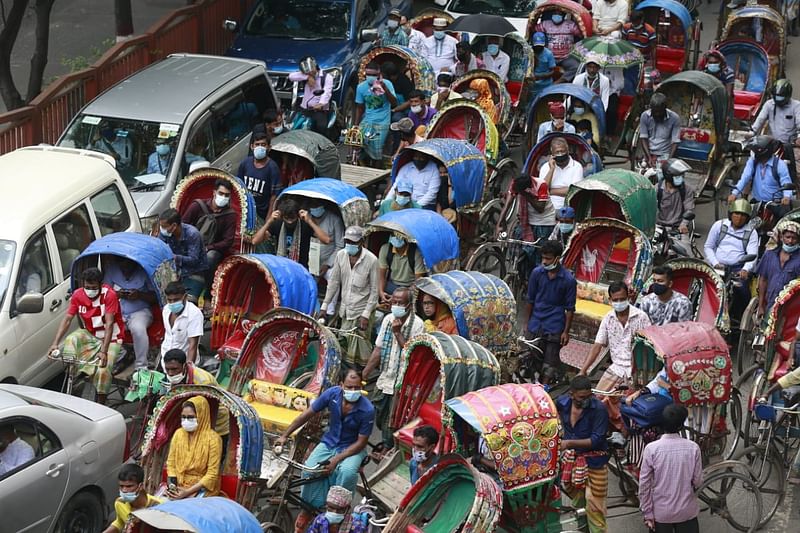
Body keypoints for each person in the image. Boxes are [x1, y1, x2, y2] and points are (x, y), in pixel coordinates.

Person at [275, 369, 375, 533]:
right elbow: (307, 414)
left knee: (347, 472)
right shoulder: (332, 394)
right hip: (330, 442)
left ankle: (339, 512)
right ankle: (309, 509)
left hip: (352, 447)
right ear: (341, 385)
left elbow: (361, 441)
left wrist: (336, 460)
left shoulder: (367, 409)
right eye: (349, 387)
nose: (353, 391)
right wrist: (285, 435)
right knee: (309, 469)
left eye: (357, 387)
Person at [581, 281, 652, 431]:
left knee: (629, 407)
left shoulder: (641, 317)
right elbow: (597, 345)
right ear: (610, 300)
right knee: (596, 401)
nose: (619, 303)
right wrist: (584, 370)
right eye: (616, 300)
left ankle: (625, 435)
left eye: (622, 299)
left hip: (636, 370)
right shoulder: (608, 319)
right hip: (616, 368)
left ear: (628, 297)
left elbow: (648, 347)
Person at [49, 268, 124, 405]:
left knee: (103, 370)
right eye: (87, 287)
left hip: (112, 337)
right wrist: (54, 343)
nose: (90, 290)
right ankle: (73, 377)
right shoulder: (78, 295)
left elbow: (109, 324)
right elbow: (67, 320)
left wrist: (103, 352)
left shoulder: (109, 295)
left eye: (94, 287)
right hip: (91, 334)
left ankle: (101, 403)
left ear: (101, 285)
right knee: (71, 339)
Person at [362, 287, 425, 450]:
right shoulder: (388, 319)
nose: (395, 305)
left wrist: (397, 333)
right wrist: (365, 373)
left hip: (402, 383)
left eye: (400, 303)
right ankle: (386, 442)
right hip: (385, 378)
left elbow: (413, 356)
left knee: (393, 420)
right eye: (394, 302)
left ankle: (388, 447)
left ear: (409, 306)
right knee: (379, 414)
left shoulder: (418, 325)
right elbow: (378, 349)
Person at [557, 375, 610, 533]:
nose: (585, 400)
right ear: (571, 394)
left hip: (595, 462)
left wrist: (568, 444)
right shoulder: (563, 403)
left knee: (595, 508)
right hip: (573, 461)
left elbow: (596, 440)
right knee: (579, 504)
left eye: (589, 396)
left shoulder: (599, 408)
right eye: (581, 397)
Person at [320, 226, 380, 366]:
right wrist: (325, 305)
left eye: (354, 243)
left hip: (361, 310)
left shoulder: (371, 260)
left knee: (362, 347)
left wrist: (365, 314)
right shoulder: (341, 255)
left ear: (361, 242)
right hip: (346, 309)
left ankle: (361, 373)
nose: (350, 245)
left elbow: (374, 291)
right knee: (344, 343)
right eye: (348, 242)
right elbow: (334, 282)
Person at [639, 404, 703, 533]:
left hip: (661, 514)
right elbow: (698, 481)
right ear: (681, 426)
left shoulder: (651, 449)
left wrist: (648, 513)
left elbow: (644, 485)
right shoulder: (693, 448)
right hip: (686, 512)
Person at [524, 240, 577, 384]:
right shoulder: (537, 273)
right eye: (543, 258)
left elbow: (570, 308)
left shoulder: (568, 280)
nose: (544, 261)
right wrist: (526, 324)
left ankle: (545, 386)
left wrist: (566, 331)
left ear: (557, 258)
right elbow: (530, 300)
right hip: (536, 321)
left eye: (548, 258)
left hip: (555, 323)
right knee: (529, 354)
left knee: (550, 358)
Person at [703, 200, 759, 326]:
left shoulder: (751, 233)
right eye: (737, 213)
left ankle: (741, 322)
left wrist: (745, 269)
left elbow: (753, 255)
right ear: (730, 214)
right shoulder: (719, 225)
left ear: (748, 218)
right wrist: (715, 262)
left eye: (743, 215)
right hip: (717, 266)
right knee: (702, 287)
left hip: (737, 269)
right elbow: (708, 247)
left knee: (743, 291)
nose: (739, 217)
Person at [162, 348, 230, 448]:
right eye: (167, 369)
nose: (170, 373)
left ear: (184, 366)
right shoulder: (174, 377)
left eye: (174, 369)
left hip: (216, 423)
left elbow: (207, 410)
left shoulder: (203, 381)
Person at [182, 178, 237, 298]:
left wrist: (208, 247)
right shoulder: (197, 206)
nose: (223, 197)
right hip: (192, 243)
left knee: (210, 257)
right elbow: (184, 225)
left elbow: (228, 241)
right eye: (221, 193)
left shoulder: (230, 215)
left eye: (226, 195)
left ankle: (208, 293)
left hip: (213, 248)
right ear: (214, 193)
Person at [104, 257, 158, 370]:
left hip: (139, 312)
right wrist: (117, 294)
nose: (125, 268)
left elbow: (155, 297)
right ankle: (118, 357)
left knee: (138, 329)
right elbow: (104, 293)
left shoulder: (144, 271)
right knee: (104, 328)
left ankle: (141, 366)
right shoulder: (111, 270)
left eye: (128, 265)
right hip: (117, 312)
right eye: (122, 265)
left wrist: (140, 295)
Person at [166, 396, 222, 499]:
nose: (186, 421)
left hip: (201, 487)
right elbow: (171, 463)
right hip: (179, 484)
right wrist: (172, 486)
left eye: (191, 417)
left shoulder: (213, 439)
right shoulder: (178, 433)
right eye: (183, 417)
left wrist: (187, 492)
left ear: (201, 416)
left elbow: (212, 474)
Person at [251, 196, 331, 269]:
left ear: (298, 216)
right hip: (281, 268)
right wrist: (269, 222)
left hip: (300, 269)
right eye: (287, 218)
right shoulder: (278, 224)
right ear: (282, 216)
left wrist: (309, 221)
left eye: (293, 218)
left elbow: (326, 240)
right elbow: (255, 241)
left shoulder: (305, 225)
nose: (290, 222)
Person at [752, 79, 800, 179]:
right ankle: (744, 194)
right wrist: (752, 131)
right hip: (772, 144)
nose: (778, 100)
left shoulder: (796, 106)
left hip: (791, 145)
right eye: (777, 97)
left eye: (781, 97)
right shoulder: (769, 104)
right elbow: (760, 120)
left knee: (797, 173)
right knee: (753, 167)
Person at [157, 208, 208, 302]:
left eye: (164, 227)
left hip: (194, 272)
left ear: (174, 226)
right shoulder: (165, 233)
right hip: (175, 272)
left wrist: (174, 257)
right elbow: (159, 248)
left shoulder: (192, 234)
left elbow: (193, 260)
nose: (162, 229)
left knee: (187, 302)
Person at [354, 62, 397, 168]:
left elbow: (394, 103)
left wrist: (385, 89)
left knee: (377, 149)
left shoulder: (387, 84)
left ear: (379, 75)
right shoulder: (361, 87)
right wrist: (355, 126)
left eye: (373, 75)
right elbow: (359, 108)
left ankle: (376, 171)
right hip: (368, 120)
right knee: (355, 141)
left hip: (382, 121)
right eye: (368, 74)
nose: (371, 77)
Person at [728, 135, 793, 205]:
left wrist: (786, 196)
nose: (754, 154)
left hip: (775, 203)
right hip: (757, 203)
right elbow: (745, 177)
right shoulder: (752, 162)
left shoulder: (780, 164)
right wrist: (734, 193)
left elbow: (785, 181)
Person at [101, 464, 162, 533]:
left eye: (129, 486)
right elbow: (119, 522)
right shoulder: (120, 503)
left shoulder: (158, 506)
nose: (124, 490)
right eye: (121, 486)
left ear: (140, 486)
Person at [237, 130, 283, 221]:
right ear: (252, 146)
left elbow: (274, 196)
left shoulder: (272, 168)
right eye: (257, 144)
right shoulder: (245, 163)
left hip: (262, 213)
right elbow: (238, 186)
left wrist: (268, 217)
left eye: (263, 145)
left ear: (269, 147)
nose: (260, 147)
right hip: (246, 209)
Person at [757, 222, 800, 316]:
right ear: (781, 237)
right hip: (770, 303)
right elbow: (763, 280)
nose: (790, 241)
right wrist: (760, 306)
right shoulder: (769, 255)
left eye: (794, 238)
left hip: (790, 310)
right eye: (788, 237)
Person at [288, 56, 334, 135]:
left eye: (311, 71)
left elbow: (327, 92)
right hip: (305, 109)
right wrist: (307, 77)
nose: (310, 73)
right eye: (307, 72)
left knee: (321, 128)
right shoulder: (305, 76)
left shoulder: (327, 77)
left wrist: (321, 104)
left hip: (319, 110)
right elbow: (291, 76)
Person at [160, 282, 204, 364]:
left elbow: (193, 345)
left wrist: (189, 369)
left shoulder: (194, 313)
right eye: (169, 300)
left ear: (185, 297)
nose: (172, 303)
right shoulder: (166, 309)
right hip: (165, 360)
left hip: (183, 363)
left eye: (176, 300)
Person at [656, 159, 695, 248]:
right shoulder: (657, 189)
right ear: (668, 176)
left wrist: (683, 224)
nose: (681, 178)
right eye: (678, 176)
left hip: (677, 229)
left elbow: (689, 209)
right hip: (659, 227)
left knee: (686, 254)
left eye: (682, 175)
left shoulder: (687, 190)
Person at [377, 233, 427, 304]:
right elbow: (382, 276)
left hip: (410, 287)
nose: (396, 238)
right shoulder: (385, 249)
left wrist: (399, 297)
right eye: (394, 235)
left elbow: (417, 281)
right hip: (392, 284)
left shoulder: (416, 253)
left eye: (399, 235)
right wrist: (381, 292)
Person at [540, 136, 584, 209]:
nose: (560, 154)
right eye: (557, 152)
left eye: (562, 151)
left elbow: (574, 191)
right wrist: (551, 169)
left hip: (569, 207)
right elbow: (543, 190)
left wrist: (550, 191)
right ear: (552, 152)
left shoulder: (577, 166)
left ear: (567, 150)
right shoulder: (545, 167)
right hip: (549, 208)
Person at [638, 93, 681, 165]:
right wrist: (649, 158)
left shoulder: (674, 118)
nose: (657, 114)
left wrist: (668, 161)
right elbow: (643, 138)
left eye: (660, 112)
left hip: (665, 154)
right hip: (648, 152)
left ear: (665, 109)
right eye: (655, 112)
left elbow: (675, 142)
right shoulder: (645, 116)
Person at [308, 198, 345, 278]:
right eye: (313, 205)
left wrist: (327, 264)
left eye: (317, 205)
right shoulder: (307, 219)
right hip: (310, 262)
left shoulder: (335, 220)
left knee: (333, 277)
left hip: (329, 262)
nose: (315, 207)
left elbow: (340, 246)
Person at [532, 32, 556, 97]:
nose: (538, 48)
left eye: (540, 46)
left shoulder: (548, 54)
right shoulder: (530, 52)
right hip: (532, 85)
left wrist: (541, 76)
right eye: (537, 46)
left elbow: (553, 71)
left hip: (545, 84)